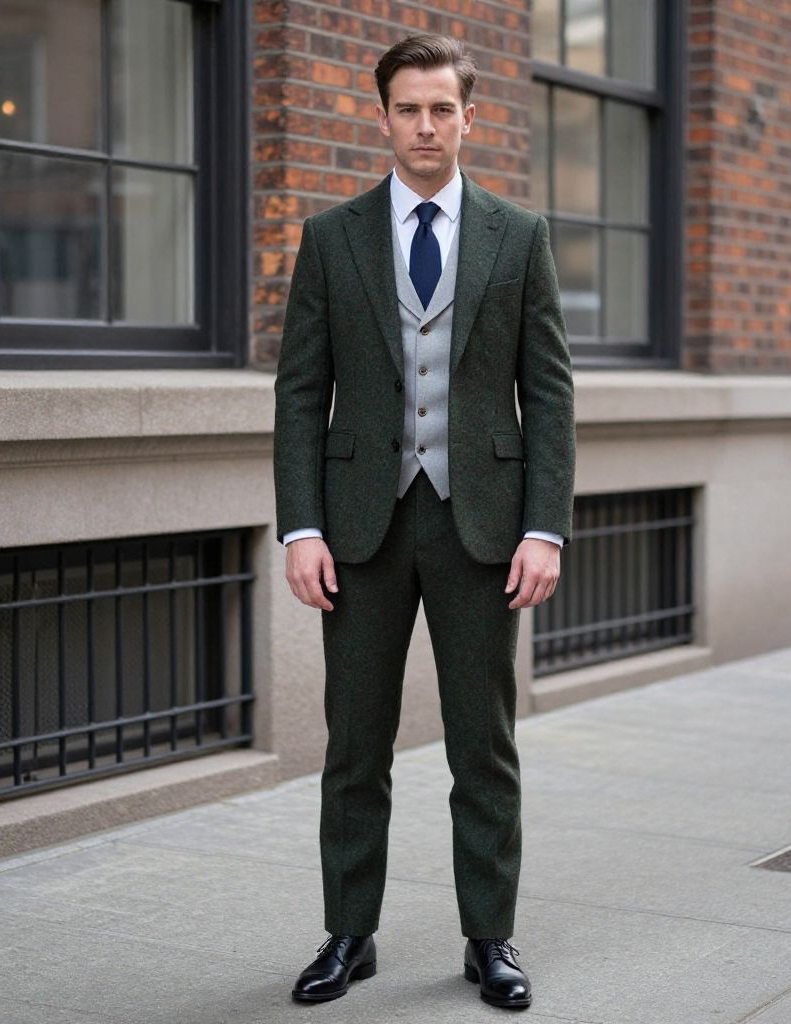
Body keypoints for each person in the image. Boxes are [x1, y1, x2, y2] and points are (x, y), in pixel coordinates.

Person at [272, 32, 575, 1010]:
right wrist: (300, 526)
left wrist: (545, 526)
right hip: (358, 529)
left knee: (479, 743)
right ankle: (348, 934)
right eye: (408, 107)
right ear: (384, 116)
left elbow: (550, 393)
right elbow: (297, 394)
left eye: (442, 107)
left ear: (468, 116)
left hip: (481, 527)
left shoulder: (517, 235)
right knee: (352, 741)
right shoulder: (330, 237)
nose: (425, 125)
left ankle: (489, 936)